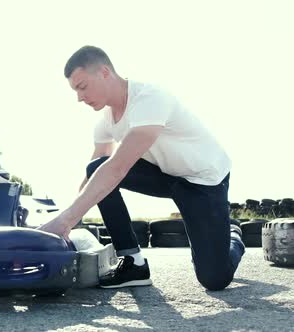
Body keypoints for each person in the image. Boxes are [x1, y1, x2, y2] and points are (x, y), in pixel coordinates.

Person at [37, 46, 245, 291]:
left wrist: (65, 221)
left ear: (104, 72)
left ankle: (232, 237)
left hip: (203, 181)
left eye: (82, 87)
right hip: (166, 175)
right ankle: (133, 263)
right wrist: (69, 218)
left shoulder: (150, 98)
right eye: (75, 91)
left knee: (214, 280)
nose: (79, 97)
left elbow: (117, 168)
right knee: (97, 168)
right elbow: (95, 173)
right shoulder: (105, 121)